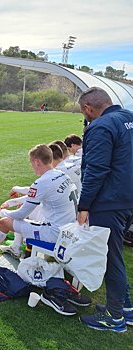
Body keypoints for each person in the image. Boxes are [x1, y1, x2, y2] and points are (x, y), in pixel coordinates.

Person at [76, 87, 133, 332]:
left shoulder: (100, 127)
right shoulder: (129, 117)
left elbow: (96, 170)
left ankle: (114, 317)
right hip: (126, 198)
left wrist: (84, 205)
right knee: (116, 253)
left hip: (110, 200)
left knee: (111, 258)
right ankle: (125, 308)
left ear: (88, 109)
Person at [0, 144, 76, 259]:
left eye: (31, 162)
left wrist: (2, 212)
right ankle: (15, 247)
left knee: (4, 222)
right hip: (69, 228)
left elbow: (20, 214)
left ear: (37, 162)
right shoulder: (62, 175)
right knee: (23, 216)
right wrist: (12, 202)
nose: (31, 165)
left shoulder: (42, 182)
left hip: (55, 233)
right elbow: (37, 195)